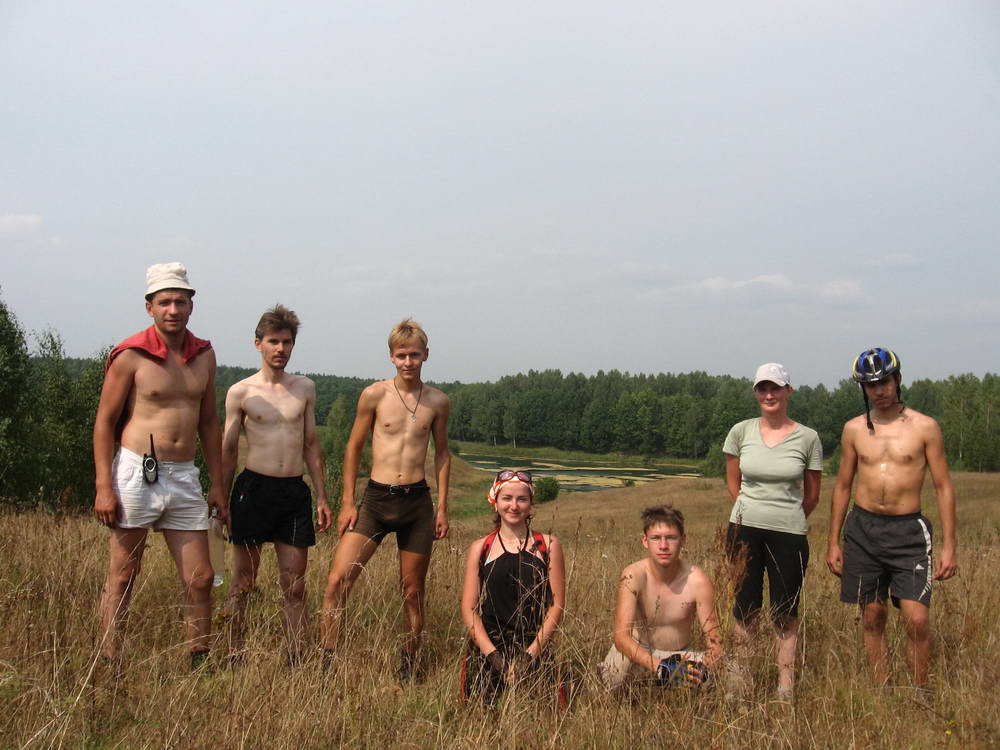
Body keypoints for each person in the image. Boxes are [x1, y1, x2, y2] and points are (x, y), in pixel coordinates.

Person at [93, 263, 226, 669]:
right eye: (164, 302)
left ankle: (198, 662)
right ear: (149, 306)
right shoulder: (131, 355)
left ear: (191, 306)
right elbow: (105, 422)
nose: (173, 310)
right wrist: (103, 485)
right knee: (123, 574)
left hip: (183, 474)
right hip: (137, 471)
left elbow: (209, 422)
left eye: (180, 301)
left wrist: (218, 483)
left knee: (201, 577)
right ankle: (110, 661)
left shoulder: (204, 354)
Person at [320, 318, 451, 680]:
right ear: (391, 357)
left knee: (412, 591)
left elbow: (442, 454)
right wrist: (347, 502)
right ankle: (328, 660)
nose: (408, 362)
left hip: (417, 504)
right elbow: (353, 447)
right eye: (401, 355)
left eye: (414, 355)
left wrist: (442, 508)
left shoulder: (438, 402)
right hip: (376, 500)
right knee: (337, 581)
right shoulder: (374, 395)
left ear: (426, 355)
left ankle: (408, 665)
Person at [826, 348, 957, 699]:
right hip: (863, 529)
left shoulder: (925, 427)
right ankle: (881, 690)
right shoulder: (854, 429)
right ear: (863, 389)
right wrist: (833, 541)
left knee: (916, 619)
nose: (879, 390)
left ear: (897, 380)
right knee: (872, 614)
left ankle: (920, 691)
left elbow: (943, 486)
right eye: (871, 385)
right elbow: (843, 485)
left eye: (884, 381)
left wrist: (949, 546)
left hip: (908, 531)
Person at [220, 304, 333, 663]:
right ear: (258, 344)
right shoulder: (240, 392)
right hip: (253, 489)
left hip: (293, 492)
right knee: (244, 581)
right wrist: (220, 496)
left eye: (287, 342)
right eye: (273, 341)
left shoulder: (305, 388)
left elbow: (311, 443)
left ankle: (296, 656)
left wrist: (322, 496)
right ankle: (234, 653)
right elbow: (228, 449)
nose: (281, 349)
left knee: (295, 584)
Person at [723, 363, 822, 701]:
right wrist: (749, 512)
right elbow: (733, 483)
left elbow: (813, 495)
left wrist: (786, 517)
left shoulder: (808, 437)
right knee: (744, 608)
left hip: (789, 534)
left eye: (775, 388)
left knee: (785, 612)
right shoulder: (740, 432)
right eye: (762, 388)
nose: (769, 395)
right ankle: (740, 684)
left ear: (788, 391)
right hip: (743, 531)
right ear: (756, 393)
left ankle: (785, 687)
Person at [460, 471, 566, 703]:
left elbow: (556, 605)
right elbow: (469, 608)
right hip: (489, 644)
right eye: (507, 498)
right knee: (482, 714)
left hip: (534, 642)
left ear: (531, 504)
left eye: (522, 499)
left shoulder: (548, 545)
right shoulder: (481, 547)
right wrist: (493, 656)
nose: (514, 506)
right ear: (495, 501)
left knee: (540, 713)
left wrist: (530, 655)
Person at [601, 505, 721, 690]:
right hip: (640, 652)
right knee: (614, 674)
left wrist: (704, 667)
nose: (663, 546)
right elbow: (621, 637)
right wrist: (661, 667)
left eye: (671, 538)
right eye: (656, 538)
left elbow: (715, 642)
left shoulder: (698, 580)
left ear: (683, 540)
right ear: (645, 541)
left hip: (682, 655)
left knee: (733, 673)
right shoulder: (633, 575)